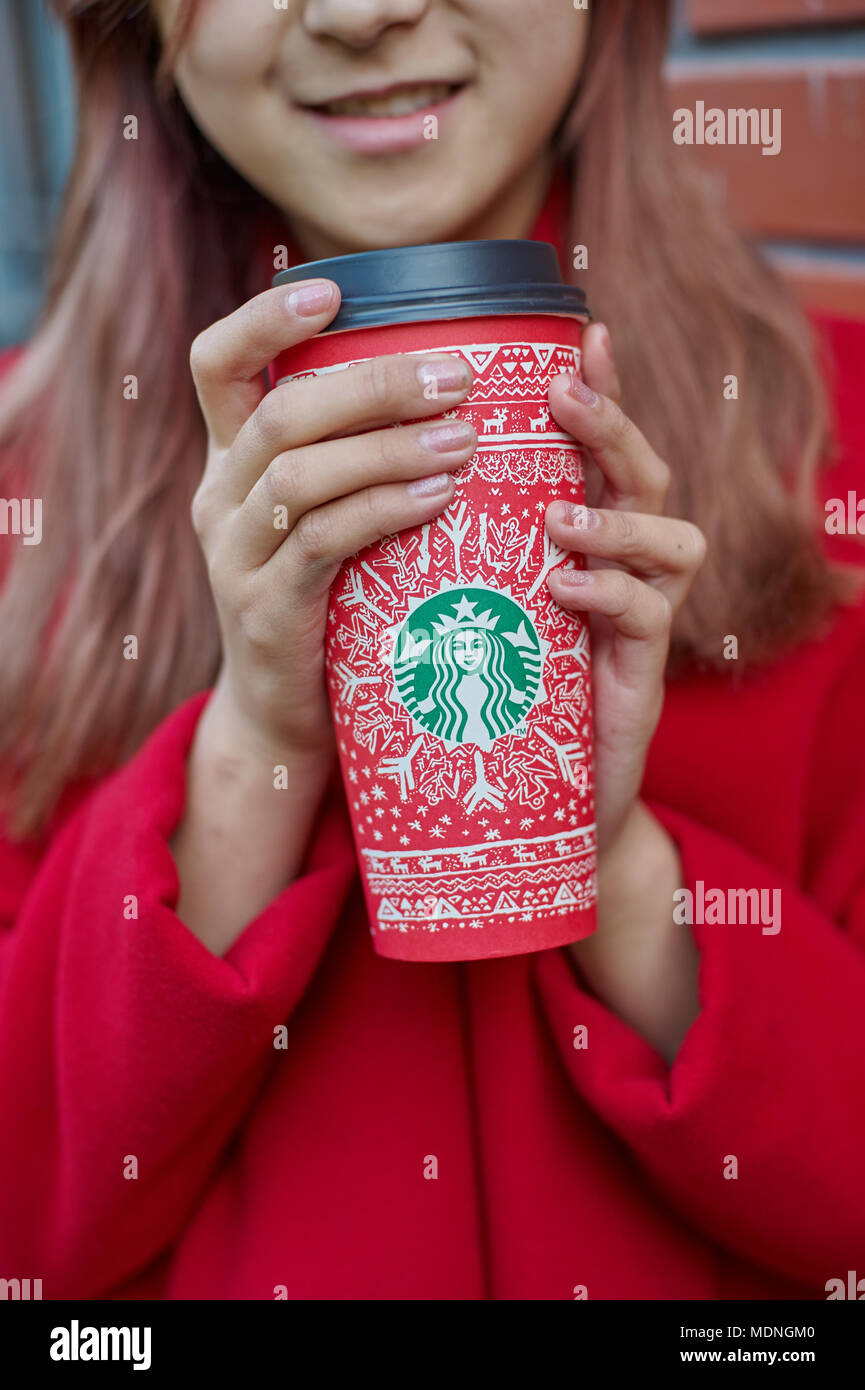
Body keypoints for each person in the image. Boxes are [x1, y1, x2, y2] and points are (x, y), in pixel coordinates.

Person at [0, 0, 863, 1301]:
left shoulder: (830, 443)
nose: (362, 11)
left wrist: (619, 873)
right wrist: (251, 761)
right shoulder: (27, 506)